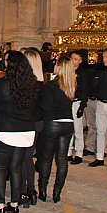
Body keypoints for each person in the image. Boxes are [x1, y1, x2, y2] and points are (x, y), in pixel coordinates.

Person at [0, 51, 40, 213]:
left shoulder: (1, 84)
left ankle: (0, 205)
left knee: (0, 169)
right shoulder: (33, 85)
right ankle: (14, 204)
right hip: (26, 131)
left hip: (6, 131)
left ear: (8, 65)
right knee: (16, 168)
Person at [37, 56, 76, 203]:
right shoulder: (71, 84)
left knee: (46, 159)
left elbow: (45, 106)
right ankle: (57, 192)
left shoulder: (51, 85)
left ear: (59, 68)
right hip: (68, 124)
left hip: (53, 123)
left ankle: (42, 190)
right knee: (62, 159)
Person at [20, 49, 44, 208]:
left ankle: (25, 190)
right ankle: (31, 190)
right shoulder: (42, 84)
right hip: (38, 123)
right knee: (27, 156)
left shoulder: (28, 85)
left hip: (27, 123)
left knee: (23, 157)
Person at [67, 50, 89, 165]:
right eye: (72, 59)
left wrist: (82, 106)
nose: (73, 61)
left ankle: (79, 153)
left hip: (77, 102)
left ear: (80, 61)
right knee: (69, 128)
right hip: (68, 102)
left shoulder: (82, 73)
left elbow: (84, 90)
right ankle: (68, 152)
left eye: (76, 59)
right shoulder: (67, 71)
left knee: (78, 129)